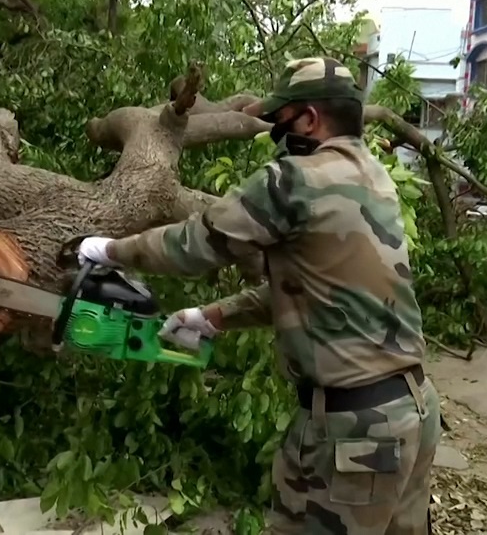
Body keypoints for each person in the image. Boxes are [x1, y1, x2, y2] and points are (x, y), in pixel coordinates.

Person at [77, 57, 441, 534]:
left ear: (309, 119)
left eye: (279, 120)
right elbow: (317, 292)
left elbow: (194, 244)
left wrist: (109, 249)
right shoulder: (374, 179)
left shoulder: (296, 180)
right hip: (413, 412)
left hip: (354, 433)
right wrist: (213, 316)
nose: (275, 133)